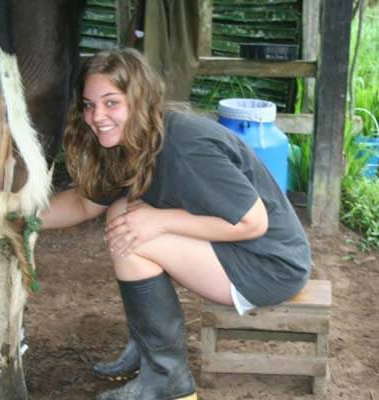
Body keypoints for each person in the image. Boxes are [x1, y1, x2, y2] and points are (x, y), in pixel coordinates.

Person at [40, 47, 311, 400]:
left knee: (133, 235)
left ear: (139, 99)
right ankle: (148, 350)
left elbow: (252, 223)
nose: (96, 116)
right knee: (121, 213)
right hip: (241, 248)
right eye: (89, 105)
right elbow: (81, 203)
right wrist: (12, 216)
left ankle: (171, 382)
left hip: (269, 264)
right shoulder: (133, 140)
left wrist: (161, 221)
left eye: (111, 103)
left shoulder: (185, 145)